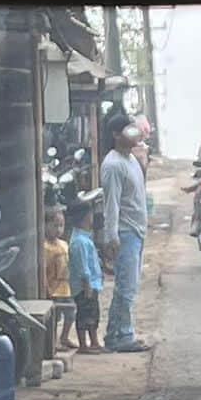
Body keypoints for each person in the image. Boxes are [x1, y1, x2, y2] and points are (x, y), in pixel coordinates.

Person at [100, 109, 150, 353]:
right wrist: (111, 237)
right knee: (126, 287)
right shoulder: (113, 165)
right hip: (125, 232)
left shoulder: (131, 160)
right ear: (116, 135)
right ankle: (121, 335)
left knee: (129, 285)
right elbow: (112, 204)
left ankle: (117, 333)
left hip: (137, 230)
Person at [65, 198, 105, 353]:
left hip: (92, 284)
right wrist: (87, 284)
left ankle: (94, 341)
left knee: (93, 314)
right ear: (84, 218)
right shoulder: (79, 242)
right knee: (84, 315)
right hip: (84, 286)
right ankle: (83, 344)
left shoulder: (83, 238)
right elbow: (83, 268)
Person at [43, 207, 77, 351]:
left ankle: (65, 337)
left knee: (71, 313)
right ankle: (54, 342)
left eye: (61, 225)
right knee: (54, 318)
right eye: (54, 225)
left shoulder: (64, 244)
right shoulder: (44, 247)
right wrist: (47, 289)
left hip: (66, 288)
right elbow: (42, 271)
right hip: (54, 289)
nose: (58, 229)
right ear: (45, 226)